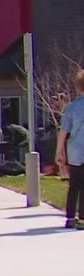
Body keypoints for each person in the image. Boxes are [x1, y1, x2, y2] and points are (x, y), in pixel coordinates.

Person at [56, 69, 84, 230]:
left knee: (74, 185)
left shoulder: (71, 107)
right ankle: (83, 219)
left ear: (78, 87)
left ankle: (70, 217)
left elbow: (64, 131)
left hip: (75, 151)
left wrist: (59, 151)